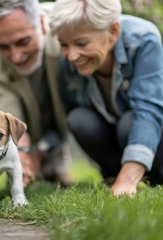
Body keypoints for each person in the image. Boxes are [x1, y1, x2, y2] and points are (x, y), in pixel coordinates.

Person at [49, 0, 163, 196]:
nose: (71, 56)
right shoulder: (69, 58)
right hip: (113, 136)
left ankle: (149, 176)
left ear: (113, 32)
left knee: (129, 123)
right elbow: (70, 108)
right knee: (79, 118)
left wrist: (127, 179)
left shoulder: (143, 40)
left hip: (152, 135)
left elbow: (149, 112)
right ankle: (112, 175)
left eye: (82, 43)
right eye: (64, 44)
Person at [0, 0, 72, 187]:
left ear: (42, 24)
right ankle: (46, 168)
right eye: (3, 47)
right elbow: (7, 115)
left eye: (23, 41)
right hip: (31, 119)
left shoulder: (68, 30)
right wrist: (22, 151)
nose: (16, 56)